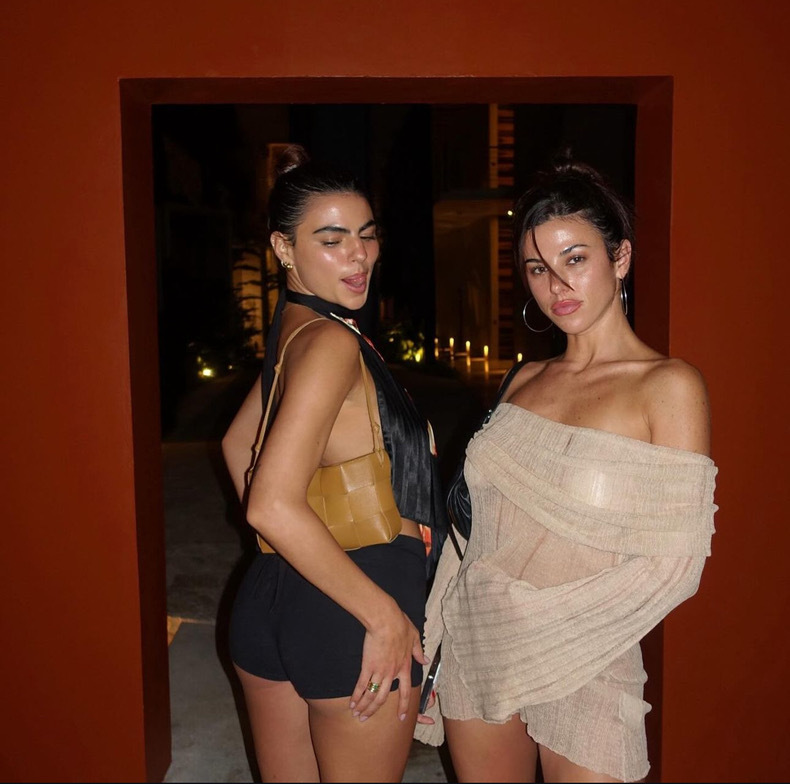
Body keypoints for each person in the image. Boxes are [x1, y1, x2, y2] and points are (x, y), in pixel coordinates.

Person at [415, 159, 718, 783]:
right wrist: (435, 635)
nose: (557, 285)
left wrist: (538, 626)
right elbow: (472, 533)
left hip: (589, 659)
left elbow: (675, 566)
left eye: (574, 259)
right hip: (479, 644)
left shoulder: (668, 386)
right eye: (537, 268)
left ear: (620, 257)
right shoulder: (523, 379)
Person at [222, 145, 445, 783]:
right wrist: (383, 615)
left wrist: (295, 541)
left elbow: (238, 446)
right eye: (332, 239)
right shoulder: (330, 343)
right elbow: (269, 503)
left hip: (273, 593)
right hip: (357, 608)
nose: (358, 255)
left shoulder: (292, 333)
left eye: (367, 236)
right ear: (284, 248)